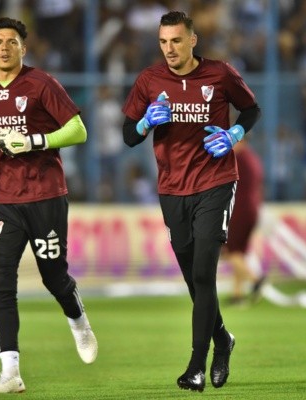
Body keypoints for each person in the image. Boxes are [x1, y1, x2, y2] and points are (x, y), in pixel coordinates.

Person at [0, 17, 97, 394]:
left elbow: (78, 130)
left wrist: (34, 141)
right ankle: (10, 372)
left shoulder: (42, 84)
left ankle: (79, 321)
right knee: (1, 284)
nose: (4, 47)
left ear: (23, 48)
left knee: (54, 277)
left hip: (45, 196)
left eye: (11, 42)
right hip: (2, 200)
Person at [121, 11, 261, 392]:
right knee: (192, 279)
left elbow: (252, 109)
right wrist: (144, 123)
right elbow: (128, 135)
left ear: (192, 40)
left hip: (216, 182)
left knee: (203, 274)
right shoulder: (149, 80)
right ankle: (223, 340)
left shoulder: (220, 74)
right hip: (172, 189)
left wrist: (234, 133)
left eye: (176, 41)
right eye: (163, 42)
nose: (169, 49)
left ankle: (196, 366)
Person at [222, 138, 266, 305]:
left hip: (240, 209)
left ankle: (256, 279)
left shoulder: (238, 158)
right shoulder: (252, 158)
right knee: (239, 252)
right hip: (252, 208)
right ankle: (237, 294)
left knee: (230, 251)